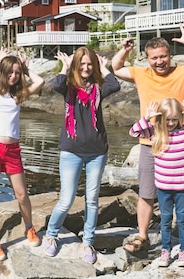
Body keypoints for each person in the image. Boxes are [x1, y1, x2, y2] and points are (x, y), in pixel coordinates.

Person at [111, 21, 184, 254]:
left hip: (180, 142)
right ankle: (142, 236)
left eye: (163, 56)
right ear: (148, 59)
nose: (159, 61)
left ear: (170, 56)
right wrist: (125, 50)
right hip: (150, 143)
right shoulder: (141, 74)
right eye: (154, 58)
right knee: (147, 193)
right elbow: (116, 68)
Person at [42, 47, 121, 264]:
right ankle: (51, 235)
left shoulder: (99, 87)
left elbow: (115, 85)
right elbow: (55, 84)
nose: (86, 68)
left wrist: (104, 68)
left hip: (97, 152)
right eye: (82, 64)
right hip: (70, 151)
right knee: (66, 200)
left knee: (92, 200)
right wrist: (66, 66)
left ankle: (88, 242)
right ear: (76, 65)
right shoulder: (68, 87)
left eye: (89, 64)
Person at [0, 47, 45, 261]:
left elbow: (39, 82)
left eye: (16, 73)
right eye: (10, 72)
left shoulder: (18, 95)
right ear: (3, 72)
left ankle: (29, 228)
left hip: (12, 150)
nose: (13, 76)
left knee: (22, 194)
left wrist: (26, 67)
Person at [129, 98, 184, 267]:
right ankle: (165, 251)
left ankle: (183, 251)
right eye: (167, 119)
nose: (171, 123)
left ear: (180, 118)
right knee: (165, 220)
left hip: (182, 187)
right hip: (163, 188)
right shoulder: (155, 134)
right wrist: (147, 118)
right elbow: (134, 132)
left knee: (182, 219)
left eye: (174, 119)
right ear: (161, 119)